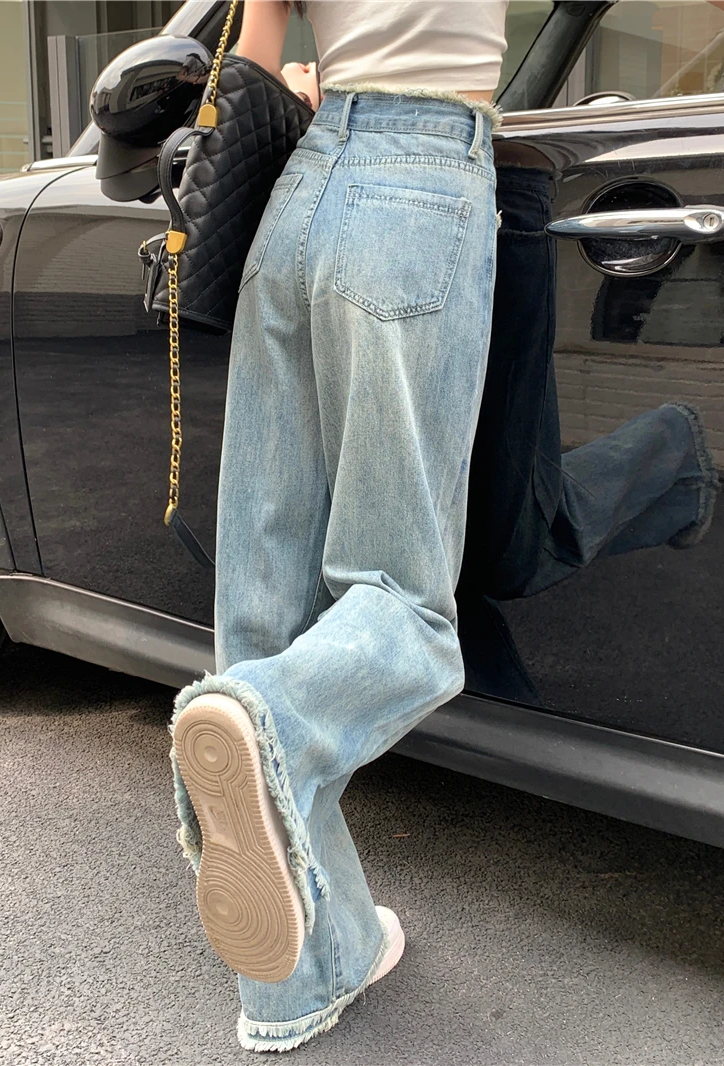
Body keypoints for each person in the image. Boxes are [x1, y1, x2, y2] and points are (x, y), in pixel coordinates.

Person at [168, 0, 508, 1052]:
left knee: (262, 604)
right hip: (421, 190)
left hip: (300, 193)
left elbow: (257, 53)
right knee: (402, 600)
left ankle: (301, 979)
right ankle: (265, 719)